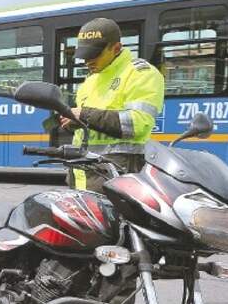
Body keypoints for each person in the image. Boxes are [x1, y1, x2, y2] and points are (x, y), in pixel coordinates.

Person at [61, 17, 165, 193]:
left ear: (116, 48)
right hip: (83, 175)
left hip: (117, 178)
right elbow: (90, 127)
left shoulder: (141, 73)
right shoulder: (91, 79)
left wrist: (84, 115)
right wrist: (73, 123)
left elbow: (136, 124)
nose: (88, 61)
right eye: (85, 55)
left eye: (95, 54)